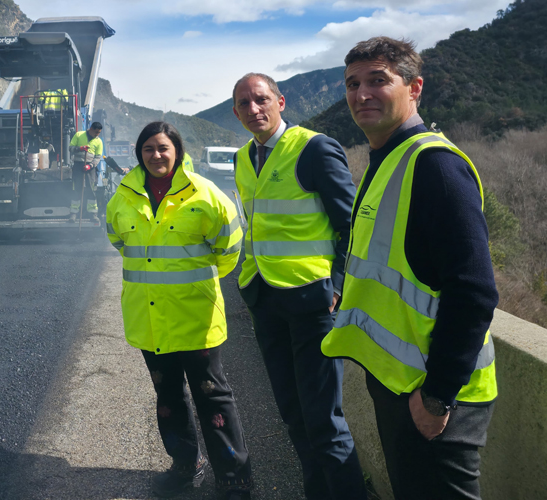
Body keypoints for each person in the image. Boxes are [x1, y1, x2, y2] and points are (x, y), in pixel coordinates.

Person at [321, 37, 498, 500]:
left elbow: (475, 292)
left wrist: (438, 396)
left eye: (378, 80)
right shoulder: (388, 158)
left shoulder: (434, 166)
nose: (362, 94)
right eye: (353, 84)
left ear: (414, 87)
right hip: (400, 382)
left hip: (439, 393)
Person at [231, 73, 367, 500]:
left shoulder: (313, 148)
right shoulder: (241, 158)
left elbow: (353, 225)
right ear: (235, 112)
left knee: (324, 422)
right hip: (266, 300)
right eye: (243, 103)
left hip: (313, 302)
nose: (253, 109)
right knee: (292, 416)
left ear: (281, 101)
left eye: (261, 99)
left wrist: (340, 286)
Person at [106, 121, 252, 499]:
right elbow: (117, 237)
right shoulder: (123, 195)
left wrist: (200, 283)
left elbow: (231, 244)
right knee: (168, 396)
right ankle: (185, 465)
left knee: (212, 395)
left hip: (195, 317)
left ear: (178, 152)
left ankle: (234, 477)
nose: (156, 155)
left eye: (163, 148)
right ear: (140, 153)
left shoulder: (204, 194)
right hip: (149, 318)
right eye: (149, 149)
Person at [68, 122, 103, 222]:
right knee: (77, 189)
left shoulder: (99, 141)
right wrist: (80, 148)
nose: (97, 134)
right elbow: (70, 148)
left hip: (90, 168)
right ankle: (73, 214)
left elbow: (97, 157)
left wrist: (90, 165)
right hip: (78, 166)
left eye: (99, 133)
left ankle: (93, 214)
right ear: (91, 129)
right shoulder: (79, 135)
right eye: (96, 132)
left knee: (91, 190)